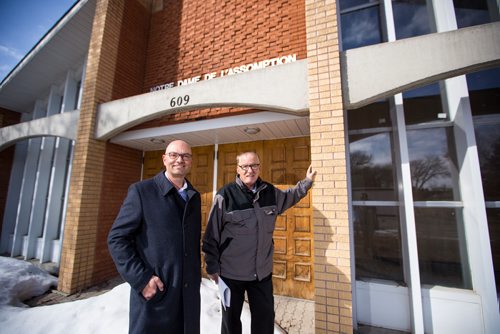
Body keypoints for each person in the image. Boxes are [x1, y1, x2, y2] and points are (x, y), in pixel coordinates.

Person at [202, 151, 316, 334]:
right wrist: (212, 266)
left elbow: (290, 196)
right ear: (237, 169)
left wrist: (307, 182)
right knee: (230, 325)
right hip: (231, 275)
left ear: (259, 167)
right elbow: (211, 235)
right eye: (245, 166)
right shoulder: (225, 195)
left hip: (261, 274)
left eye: (254, 165)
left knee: (264, 323)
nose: (250, 170)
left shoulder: (270, 192)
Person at [108, 140, 201, 334]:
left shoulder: (194, 196)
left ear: (191, 161)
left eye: (185, 156)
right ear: (164, 159)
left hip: (188, 298)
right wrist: (142, 280)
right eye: (174, 155)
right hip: (156, 296)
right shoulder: (142, 191)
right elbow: (117, 239)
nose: (179, 160)